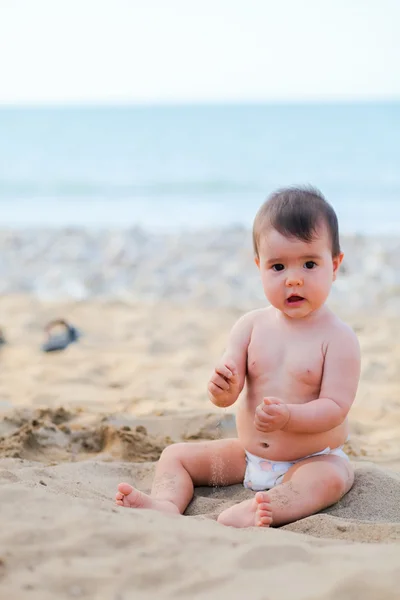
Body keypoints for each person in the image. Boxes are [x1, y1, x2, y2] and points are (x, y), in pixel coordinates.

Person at [115, 186, 360, 528]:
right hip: (247, 458)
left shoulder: (338, 338)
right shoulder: (249, 326)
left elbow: (335, 409)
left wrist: (289, 418)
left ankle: (265, 508)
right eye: (277, 267)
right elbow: (228, 395)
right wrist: (221, 388)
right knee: (176, 456)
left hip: (311, 459)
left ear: (334, 265)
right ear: (259, 266)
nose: (293, 279)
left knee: (330, 479)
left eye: (309, 264)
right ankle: (167, 503)